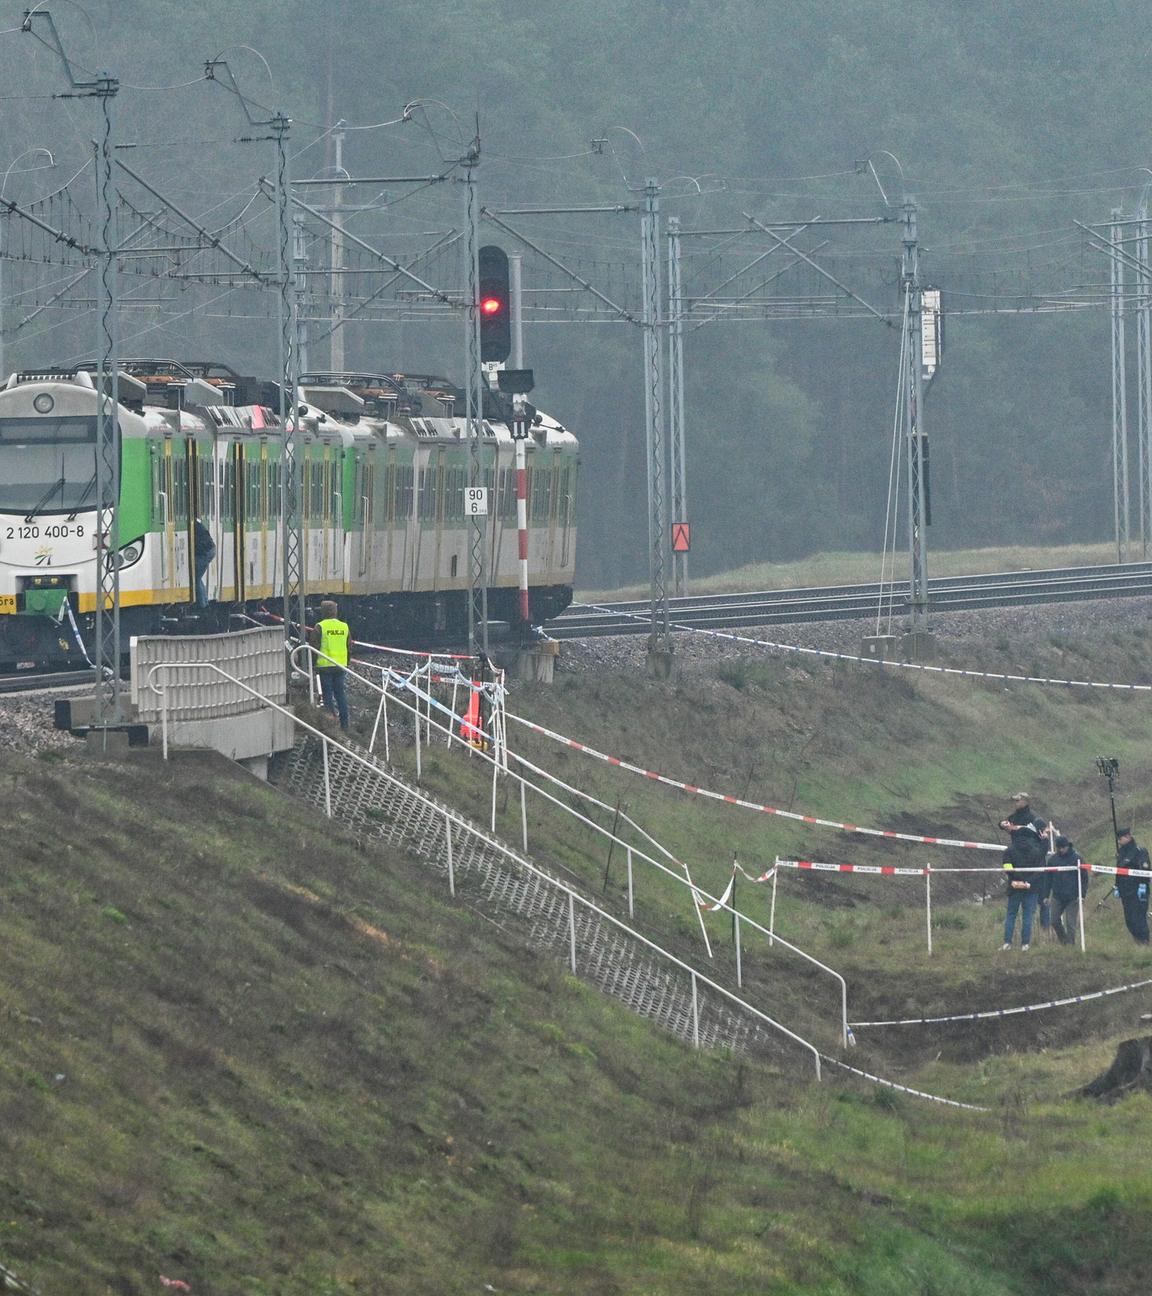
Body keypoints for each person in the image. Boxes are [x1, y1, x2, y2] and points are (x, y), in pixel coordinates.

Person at [310, 599, 351, 732]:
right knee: (340, 694)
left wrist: (313, 664)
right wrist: (346, 663)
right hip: (340, 666)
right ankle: (345, 724)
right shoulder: (344, 627)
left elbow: (314, 647)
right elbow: (349, 647)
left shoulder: (320, 627)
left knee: (327, 695)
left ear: (323, 612)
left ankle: (331, 722)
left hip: (324, 666)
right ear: (335, 612)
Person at [1046, 835, 1088, 946]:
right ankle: (1064, 941)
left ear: (1067, 846)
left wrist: (1082, 895)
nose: (1061, 850)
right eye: (1059, 848)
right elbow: (1048, 879)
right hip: (1057, 896)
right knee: (1054, 920)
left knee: (1070, 923)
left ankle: (1071, 945)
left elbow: (1084, 878)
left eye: (1063, 848)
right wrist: (1046, 895)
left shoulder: (1077, 858)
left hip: (1073, 897)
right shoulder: (1052, 860)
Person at [1001, 842, 1042, 950]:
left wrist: (1016, 879)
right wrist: (1028, 882)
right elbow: (1039, 871)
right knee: (1027, 916)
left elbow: (1007, 867)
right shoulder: (1036, 851)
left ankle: (1007, 943)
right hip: (1030, 889)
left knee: (1011, 915)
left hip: (1014, 887)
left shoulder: (1009, 850)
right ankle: (1025, 944)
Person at [1114, 828, 1150, 945]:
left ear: (1128, 837)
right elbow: (1118, 870)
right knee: (1129, 920)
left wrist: (1143, 885)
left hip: (1138, 890)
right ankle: (1137, 942)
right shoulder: (1121, 853)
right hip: (1125, 891)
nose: (1119, 841)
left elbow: (1145, 869)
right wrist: (1117, 886)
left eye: (1120, 838)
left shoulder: (1139, 851)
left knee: (1139, 918)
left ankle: (1144, 943)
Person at [193, 517, 216, 609]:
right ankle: (204, 602)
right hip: (208, 549)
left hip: (206, 551)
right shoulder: (197, 524)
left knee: (195, 577)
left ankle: (203, 605)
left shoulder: (193, 525)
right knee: (197, 577)